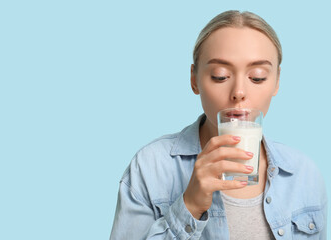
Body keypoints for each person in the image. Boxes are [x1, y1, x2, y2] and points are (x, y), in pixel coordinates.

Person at [110, 10, 327, 239]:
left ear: (276, 81)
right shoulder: (150, 168)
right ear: (194, 80)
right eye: (220, 76)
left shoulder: (305, 176)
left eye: (258, 77)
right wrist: (189, 206)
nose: (239, 93)